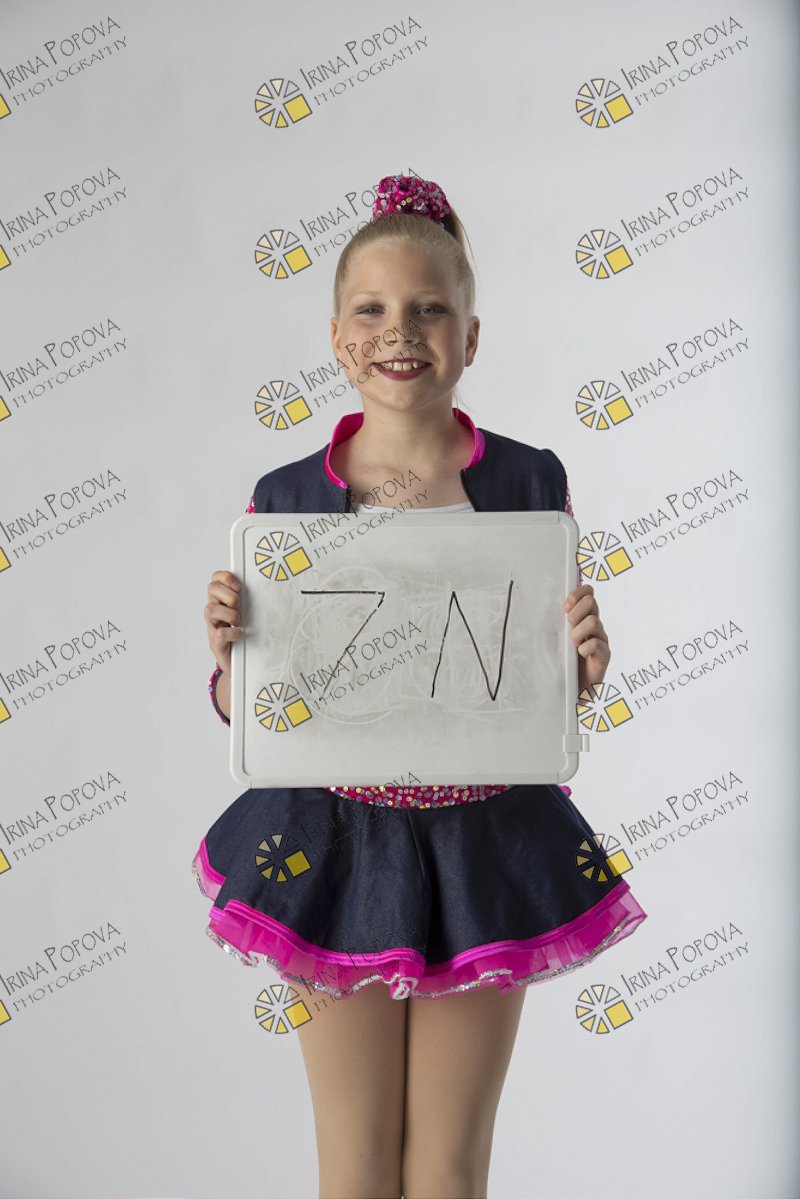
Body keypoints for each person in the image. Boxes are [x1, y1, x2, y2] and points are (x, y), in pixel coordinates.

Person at [194, 174, 648, 1199]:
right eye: (372, 310)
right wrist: (231, 662)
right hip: (331, 837)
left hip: (487, 839)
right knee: (355, 1163)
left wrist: (579, 671)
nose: (400, 332)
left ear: (470, 337)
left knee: (447, 1165)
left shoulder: (529, 482)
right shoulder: (286, 498)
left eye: (429, 308)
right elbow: (262, 710)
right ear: (337, 339)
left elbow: (526, 688)